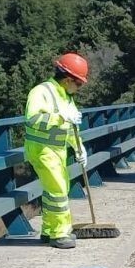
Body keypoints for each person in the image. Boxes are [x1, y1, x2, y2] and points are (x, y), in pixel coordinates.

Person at [25, 53, 89, 248]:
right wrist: (61, 118)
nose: (79, 89)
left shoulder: (66, 97)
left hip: (57, 150)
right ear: (68, 79)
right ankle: (60, 234)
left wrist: (79, 147)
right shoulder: (41, 92)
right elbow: (33, 119)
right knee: (58, 190)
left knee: (54, 191)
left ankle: (48, 230)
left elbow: (71, 128)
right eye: (78, 84)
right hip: (42, 149)